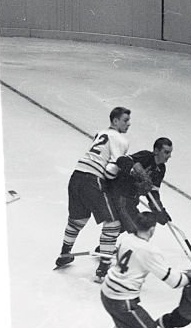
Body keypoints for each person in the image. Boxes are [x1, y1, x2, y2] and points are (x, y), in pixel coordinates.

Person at [54, 106, 133, 282]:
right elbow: (111, 170)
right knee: (113, 224)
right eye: (125, 120)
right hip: (92, 180)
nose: (129, 124)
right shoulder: (120, 139)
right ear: (115, 121)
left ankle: (65, 254)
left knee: (77, 220)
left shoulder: (101, 133)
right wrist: (124, 171)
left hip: (76, 177)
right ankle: (103, 270)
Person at [107, 137, 173, 232]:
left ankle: (105, 246)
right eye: (166, 152)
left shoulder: (161, 169)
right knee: (132, 225)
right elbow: (122, 160)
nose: (169, 156)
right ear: (156, 151)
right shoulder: (146, 156)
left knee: (133, 225)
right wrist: (137, 172)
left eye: (170, 152)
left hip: (131, 200)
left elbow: (153, 191)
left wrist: (159, 210)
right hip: (119, 195)